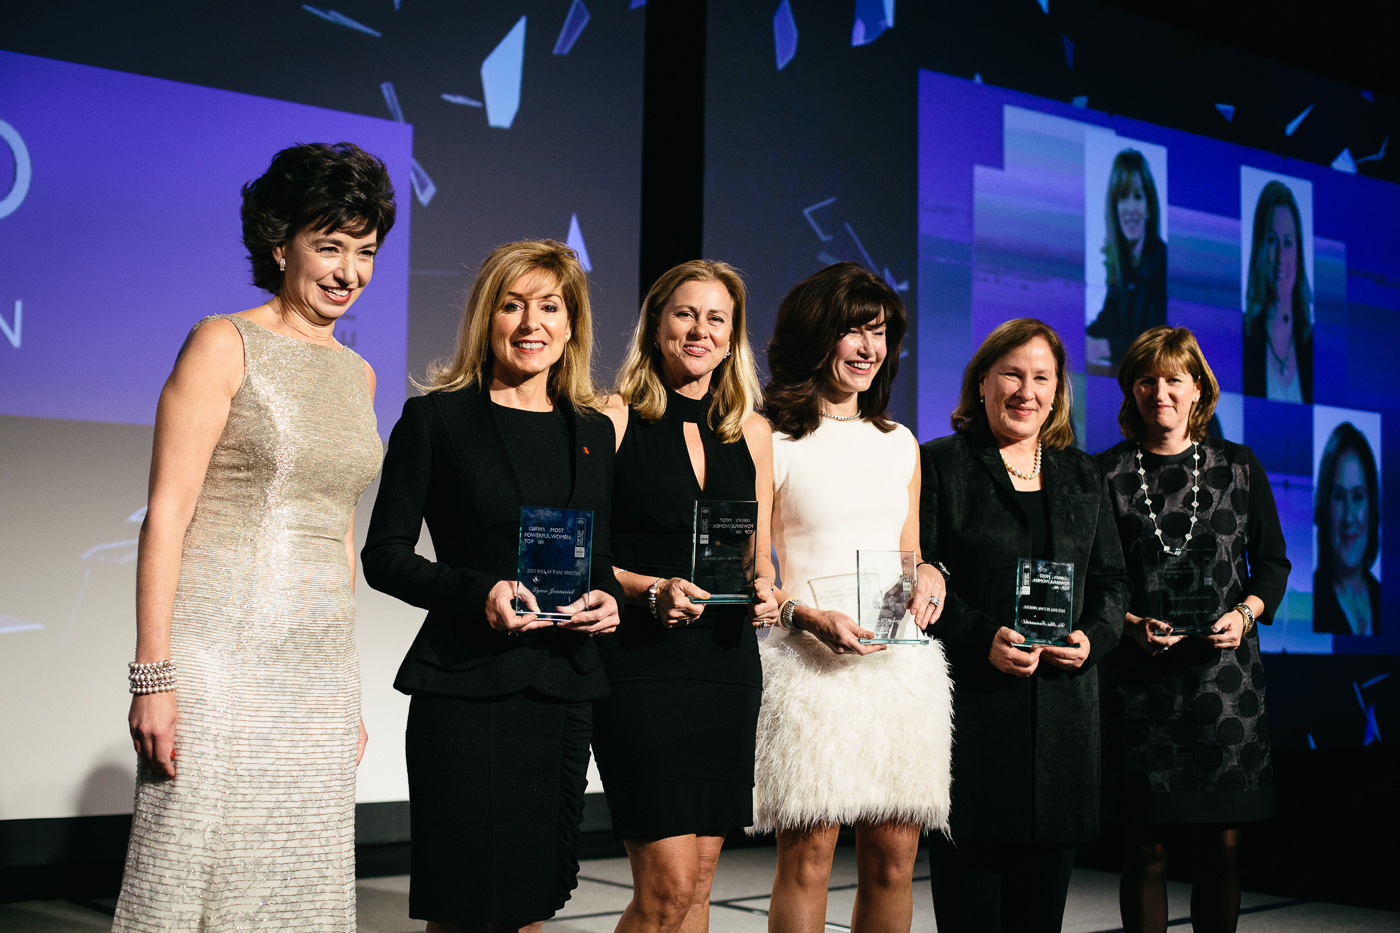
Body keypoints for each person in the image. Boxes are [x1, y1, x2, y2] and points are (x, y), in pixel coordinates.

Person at [114, 142, 396, 931]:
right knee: (193, 875)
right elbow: (166, 514)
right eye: (330, 245)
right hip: (220, 656)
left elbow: (340, 538)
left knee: (296, 884)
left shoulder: (359, 374)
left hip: (314, 673)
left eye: (366, 251)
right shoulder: (221, 342)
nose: (349, 271)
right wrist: (152, 676)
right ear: (281, 243)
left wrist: (347, 687)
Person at [361, 240, 622, 933]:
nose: (530, 323)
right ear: (487, 318)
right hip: (466, 689)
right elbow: (383, 555)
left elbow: (598, 566)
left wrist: (608, 602)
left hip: (562, 692)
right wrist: (478, 592)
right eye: (512, 305)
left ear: (571, 326)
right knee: (463, 908)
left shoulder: (594, 432)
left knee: (531, 904)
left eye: (548, 306)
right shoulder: (437, 420)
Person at [753, 262, 953, 933]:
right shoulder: (770, 436)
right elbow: (754, 571)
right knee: (808, 856)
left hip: (898, 668)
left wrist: (932, 575)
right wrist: (803, 615)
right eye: (854, 330)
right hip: (810, 666)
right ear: (819, 333)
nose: (871, 347)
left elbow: (910, 556)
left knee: (896, 860)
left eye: (882, 332)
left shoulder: (900, 444)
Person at [919, 318, 1129, 933]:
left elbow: (1113, 585)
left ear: (1059, 389)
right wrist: (981, 636)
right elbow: (921, 582)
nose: (1025, 390)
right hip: (975, 726)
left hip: (1064, 728)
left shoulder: (1083, 474)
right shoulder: (941, 465)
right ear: (982, 380)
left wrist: (1093, 638)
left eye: (1042, 377)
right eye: (1011, 373)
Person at [592, 260, 777, 933]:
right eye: (685, 313)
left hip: (726, 667)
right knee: (666, 890)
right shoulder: (611, 417)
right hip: (642, 665)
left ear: (732, 338)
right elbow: (583, 556)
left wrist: (767, 589)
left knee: (698, 888)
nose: (700, 328)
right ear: (656, 324)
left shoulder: (751, 431)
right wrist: (650, 591)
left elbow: (759, 554)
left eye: (716, 318)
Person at [1095, 326, 1291, 933]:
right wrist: (1127, 625)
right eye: (1147, 379)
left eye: (1174, 379)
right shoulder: (1105, 473)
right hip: (1141, 688)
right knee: (1145, 851)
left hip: (1227, 687)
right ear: (1131, 388)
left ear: (1198, 387)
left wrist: (1246, 612)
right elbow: (1096, 578)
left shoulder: (1239, 466)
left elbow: (1275, 564)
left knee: (1224, 851)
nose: (1161, 392)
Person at [1087, 149, 1168, 374]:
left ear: (1149, 207)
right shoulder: (1122, 266)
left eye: (1138, 197)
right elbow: (1107, 321)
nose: (1130, 208)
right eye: (1123, 198)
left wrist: (1101, 347)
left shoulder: (1163, 262)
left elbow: (1153, 341)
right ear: (1114, 208)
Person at [1242, 181, 1313, 403]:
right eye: (1271, 241)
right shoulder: (1242, 338)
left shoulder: (1314, 342)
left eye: (1289, 242)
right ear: (1259, 248)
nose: (1281, 256)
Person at [1313, 422, 1380, 635]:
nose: (1349, 517)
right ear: (1325, 507)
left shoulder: (1386, 597)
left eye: (1358, 496)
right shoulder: (1311, 600)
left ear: (1372, 505)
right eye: (1339, 497)